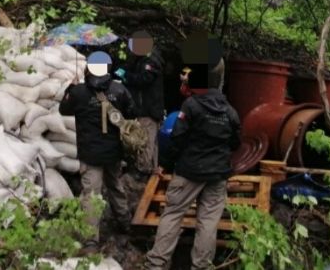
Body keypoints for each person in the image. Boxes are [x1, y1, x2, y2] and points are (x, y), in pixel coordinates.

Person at [145, 60, 241, 270]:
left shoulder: (191, 105)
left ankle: (156, 265)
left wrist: (164, 164)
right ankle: (201, 266)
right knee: (208, 222)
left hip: (189, 171)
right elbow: (235, 143)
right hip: (217, 175)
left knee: (173, 214)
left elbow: (177, 138)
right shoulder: (230, 112)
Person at [59, 51, 136, 255]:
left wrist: (70, 87)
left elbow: (63, 110)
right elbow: (131, 112)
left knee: (91, 196)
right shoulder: (119, 90)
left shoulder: (78, 92)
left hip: (90, 153)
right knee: (115, 186)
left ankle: (90, 241)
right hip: (113, 152)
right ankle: (125, 222)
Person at [114, 30, 164, 174]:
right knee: (150, 144)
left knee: (145, 143)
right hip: (145, 109)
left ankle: (142, 173)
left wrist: (125, 76)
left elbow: (142, 80)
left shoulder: (151, 61)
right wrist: (122, 70)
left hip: (148, 110)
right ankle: (151, 171)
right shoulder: (141, 59)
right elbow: (130, 68)